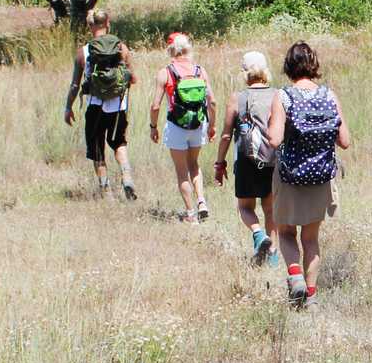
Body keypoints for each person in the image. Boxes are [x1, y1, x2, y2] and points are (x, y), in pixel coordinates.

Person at [264, 41, 351, 308]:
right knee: (311, 239)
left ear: (289, 66)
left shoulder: (284, 96)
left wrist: (269, 127)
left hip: (290, 176)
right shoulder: (329, 95)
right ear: (314, 64)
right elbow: (345, 141)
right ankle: (310, 297)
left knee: (287, 233)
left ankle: (296, 278)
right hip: (321, 177)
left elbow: (276, 139)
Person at [61, 8, 136, 200]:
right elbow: (133, 79)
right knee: (118, 142)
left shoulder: (83, 52)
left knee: (97, 149)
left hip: (95, 106)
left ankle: (106, 193)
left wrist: (68, 107)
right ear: (108, 23)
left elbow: (75, 85)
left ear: (89, 26)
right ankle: (127, 178)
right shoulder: (121, 48)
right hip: (118, 105)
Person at [215, 49, 280, 265]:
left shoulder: (238, 98)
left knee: (245, 207)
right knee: (270, 209)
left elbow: (226, 135)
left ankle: (258, 234)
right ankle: (273, 258)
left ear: (245, 73)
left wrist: (220, 163)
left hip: (246, 158)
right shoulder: (277, 95)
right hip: (272, 158)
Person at [150, 32, 216, 222]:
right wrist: (212, 125)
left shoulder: (165, 73)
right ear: (188, 49)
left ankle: (190, 215)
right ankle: (202, 201)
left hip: (176, 126)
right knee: (194, 165)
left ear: (171, 50)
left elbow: (155, 106)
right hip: (198, 124)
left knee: (181, 171)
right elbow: (213, 102)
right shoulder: (200, 71)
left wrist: (153, 127)